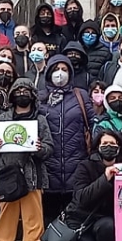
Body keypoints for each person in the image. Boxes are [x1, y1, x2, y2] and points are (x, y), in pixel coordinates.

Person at [0, 79, 54, 241]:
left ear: (33, 94)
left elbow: (49, 147)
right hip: (8, 174)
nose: (22, 93)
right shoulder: (2, 118)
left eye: (26, 90)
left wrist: (40, 148)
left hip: (33, 175)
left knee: (33, 216)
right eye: (18, 90)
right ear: (12, 95)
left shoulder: (40, 119)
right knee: (6, 214)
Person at [40, 55, 96, 222]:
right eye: (56, 69)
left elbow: (93, 123)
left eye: (64, 70)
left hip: (76, 167)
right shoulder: (40, 99)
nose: (60, 73)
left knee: (73, 218)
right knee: (48, 217)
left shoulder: (81, 96)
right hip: (48, 168)